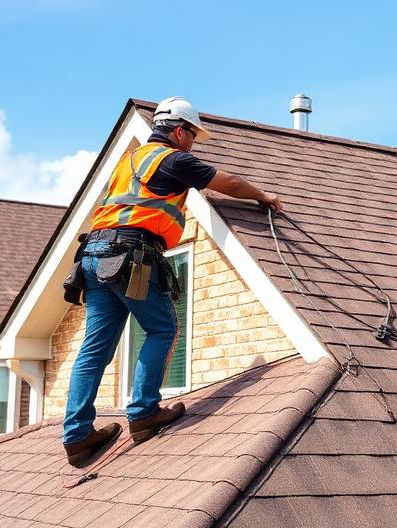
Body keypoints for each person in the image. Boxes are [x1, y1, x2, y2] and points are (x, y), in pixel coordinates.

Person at [63, 97, 283, 466]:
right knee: (162, 329)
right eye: (193, 136)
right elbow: (227, 182)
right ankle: (144, 413)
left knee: (94, 349)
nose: (193, 144)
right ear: (180, 131)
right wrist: (264, 196)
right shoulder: (173, 159)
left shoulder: (128, 162)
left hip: (93, 256)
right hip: (131, 254)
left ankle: (77, 436)